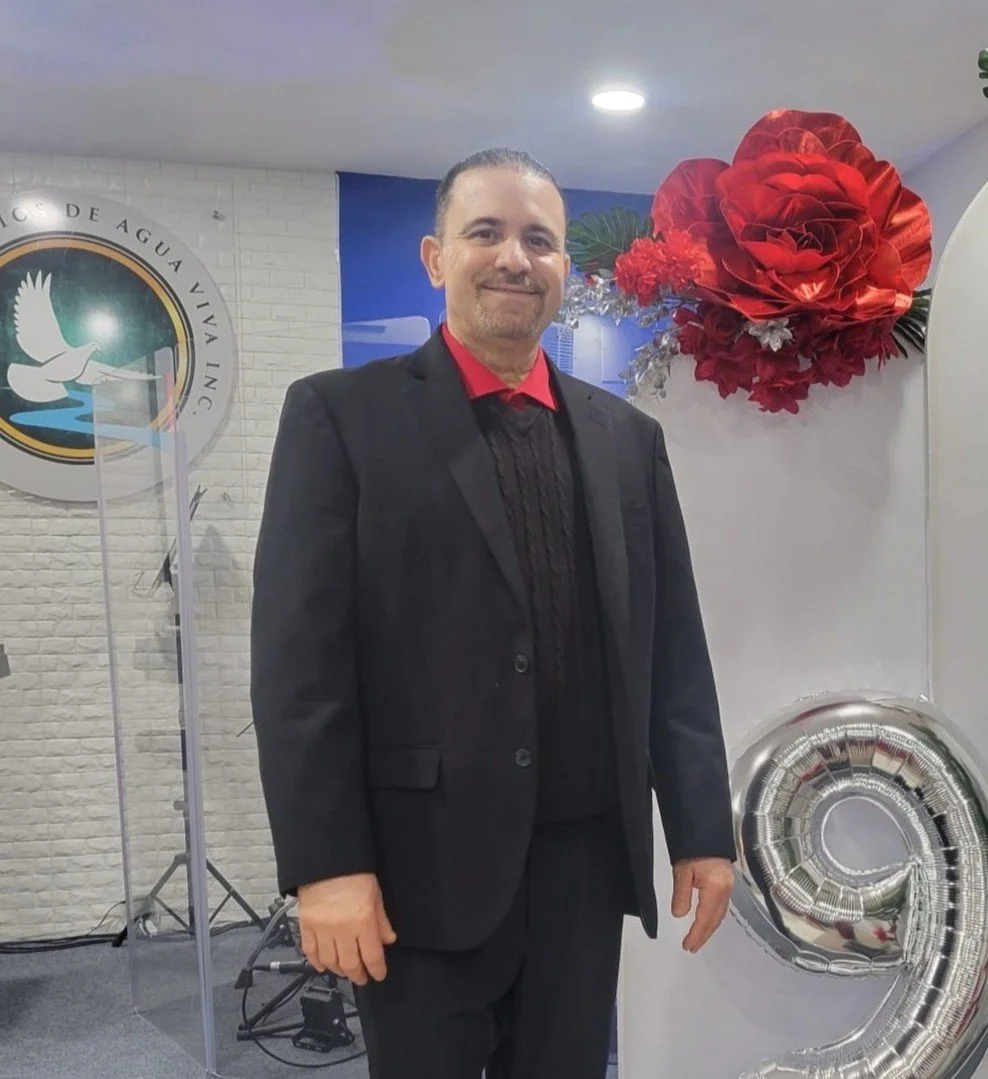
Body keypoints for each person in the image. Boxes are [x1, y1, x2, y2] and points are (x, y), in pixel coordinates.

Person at [250, 148, 736, 1079]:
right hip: (416, 872)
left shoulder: (627, 439)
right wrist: (325, 865)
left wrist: (703, 828)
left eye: (539, 239)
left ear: (564, 269)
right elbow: (298, 667)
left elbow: (672, 650)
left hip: (586, 867)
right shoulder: (340, 417)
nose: (514, 257)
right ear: (437, 258)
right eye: (487, 232)